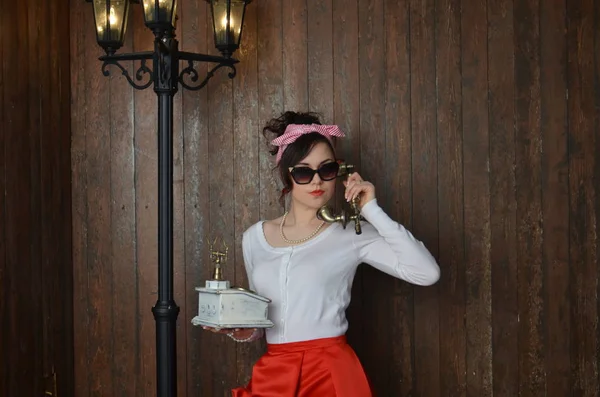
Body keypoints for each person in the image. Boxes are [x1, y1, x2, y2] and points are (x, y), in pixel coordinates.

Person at [203, 111, 440, 397]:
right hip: (275, 373)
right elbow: (263, 318)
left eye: (326, 170)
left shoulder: (351, 233)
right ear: (287, 176)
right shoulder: (254, 238)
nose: (317, 182)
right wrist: (242, 331)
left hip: (331, 373)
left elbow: (427, 273)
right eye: (304, 172)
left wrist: (371, 209)